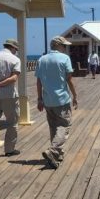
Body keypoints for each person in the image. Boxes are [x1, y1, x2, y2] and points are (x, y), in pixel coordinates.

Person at [36, 36, 78, 169]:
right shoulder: (64, 58)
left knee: (53, 127)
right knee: (64, 126)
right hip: (62, 99)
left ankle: (56, 156)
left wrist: (39, 99)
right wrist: (75, 95)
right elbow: (69, 79)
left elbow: (38, 81)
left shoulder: (42, 59)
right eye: (64, 46)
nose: (65, 48)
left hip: (48, 100)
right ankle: (53, 150)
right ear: (59, 46)